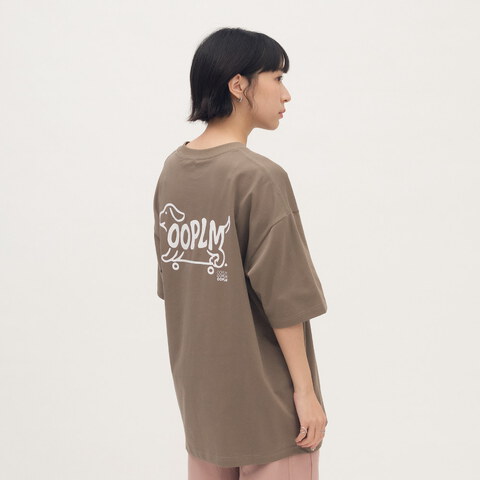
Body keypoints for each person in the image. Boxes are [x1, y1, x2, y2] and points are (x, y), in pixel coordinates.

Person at [153, 27, 329, 479]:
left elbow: (177, 290)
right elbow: (286, 300)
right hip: (269, 409)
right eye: (277, 77)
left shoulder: (173, 171)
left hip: (203, 408)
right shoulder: (259, 177)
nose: (286, 94)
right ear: (238, 85)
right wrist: (305, 393)